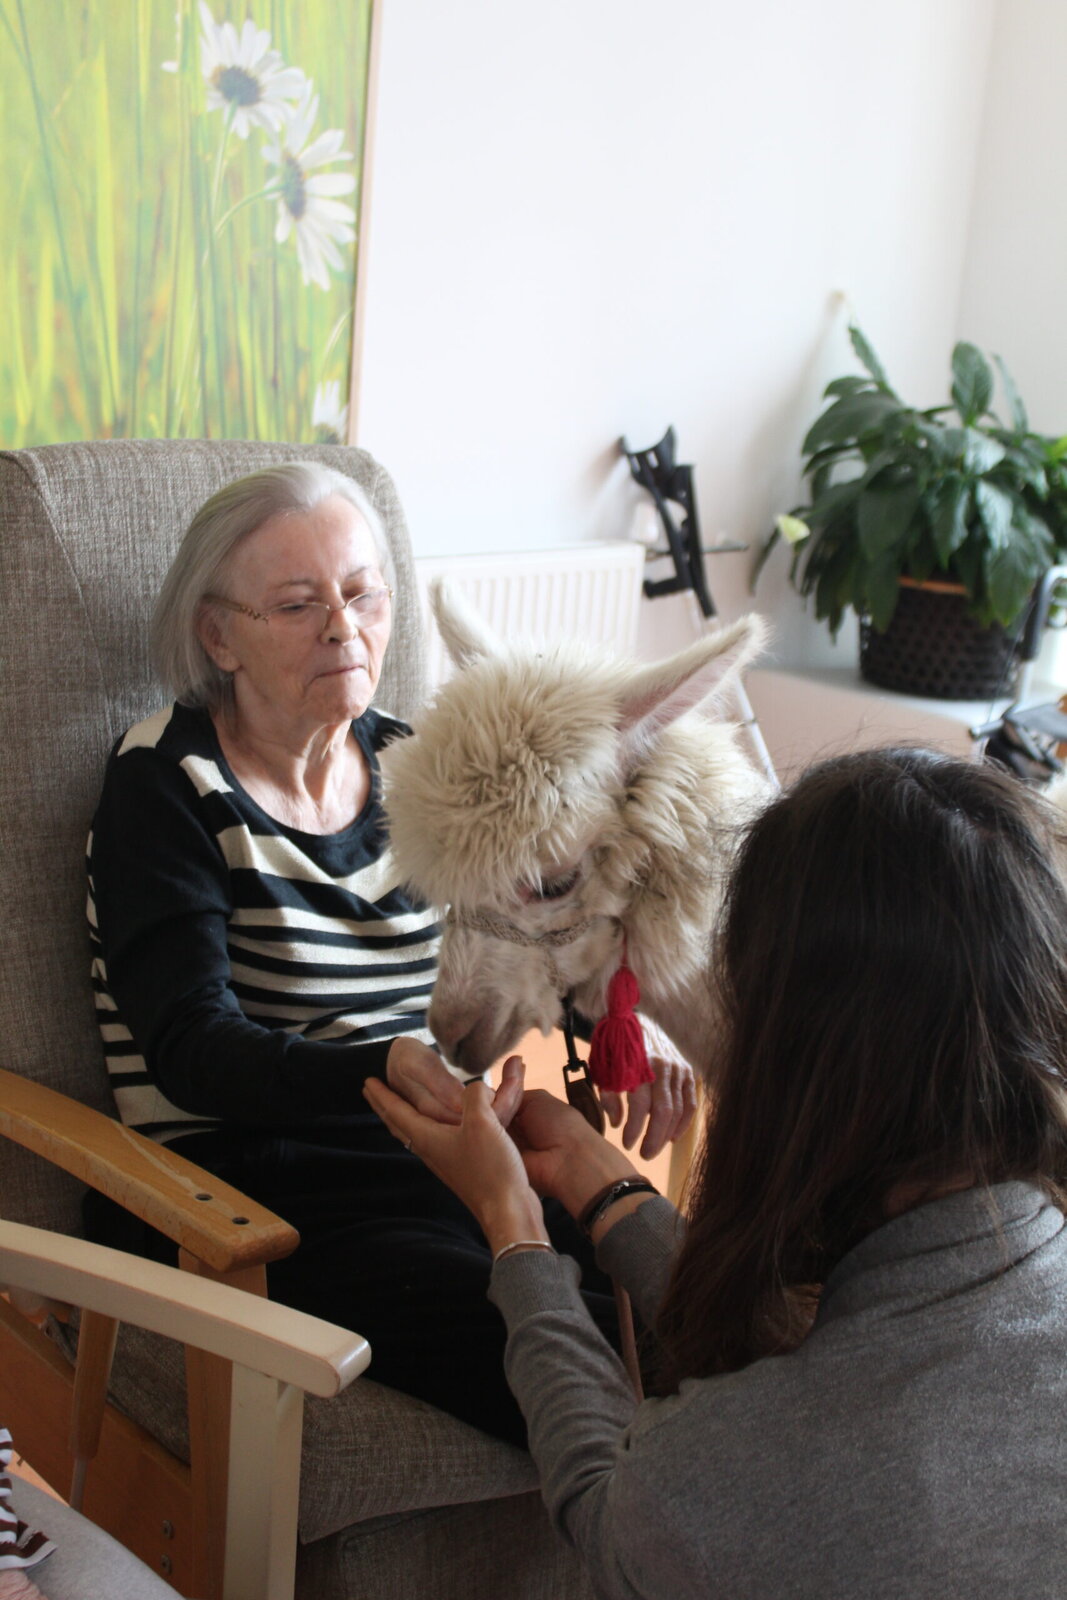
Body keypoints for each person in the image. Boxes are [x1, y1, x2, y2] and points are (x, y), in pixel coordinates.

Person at [85, 461, 694, 1444]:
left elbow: (528, 924)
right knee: (589, 1355)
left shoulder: (422, 765)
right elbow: (190, 1048)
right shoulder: (165, 784)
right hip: (252, 1192)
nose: (343, 627)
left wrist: (622, 1012)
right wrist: (384, 1068)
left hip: (433, 1148)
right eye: (297, 603)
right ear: (218, 636)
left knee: (691, 1305)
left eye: (363, 593)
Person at [365, 746, 1067, 1598]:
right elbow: (835, 1349)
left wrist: (512, 1229)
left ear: (789, 1049)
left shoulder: (726, 1481)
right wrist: (606, 1187)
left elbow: (613, 1514)